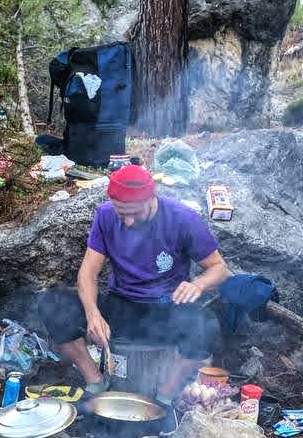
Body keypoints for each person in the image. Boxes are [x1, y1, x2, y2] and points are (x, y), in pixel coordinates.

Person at [39, 163, 229, 403]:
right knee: (53, 303)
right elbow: (88, 273)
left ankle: (165, 396)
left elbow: (219, 268)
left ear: (152, 198)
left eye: (135, 213)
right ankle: (96, 381)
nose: (128, 222)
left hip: (167, 310)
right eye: (122, 213)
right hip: (121, 306)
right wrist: (92, 313)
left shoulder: (182, 218)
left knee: (206, 325)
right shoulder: (105, 215)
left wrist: (198, 284)